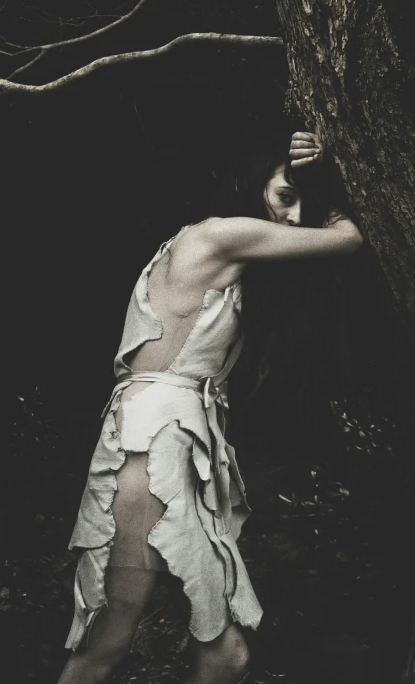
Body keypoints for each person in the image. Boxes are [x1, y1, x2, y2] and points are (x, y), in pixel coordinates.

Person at [57, 131, 364, 684]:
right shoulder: (222, 234)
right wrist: (336, 172)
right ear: (251, 186)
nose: (294, 218)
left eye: (302, 204)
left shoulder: (213, 249)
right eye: (285, 196)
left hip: (167, 440)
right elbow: (347, 238)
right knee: (109, 644)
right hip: (153, 443)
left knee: (212, 655)